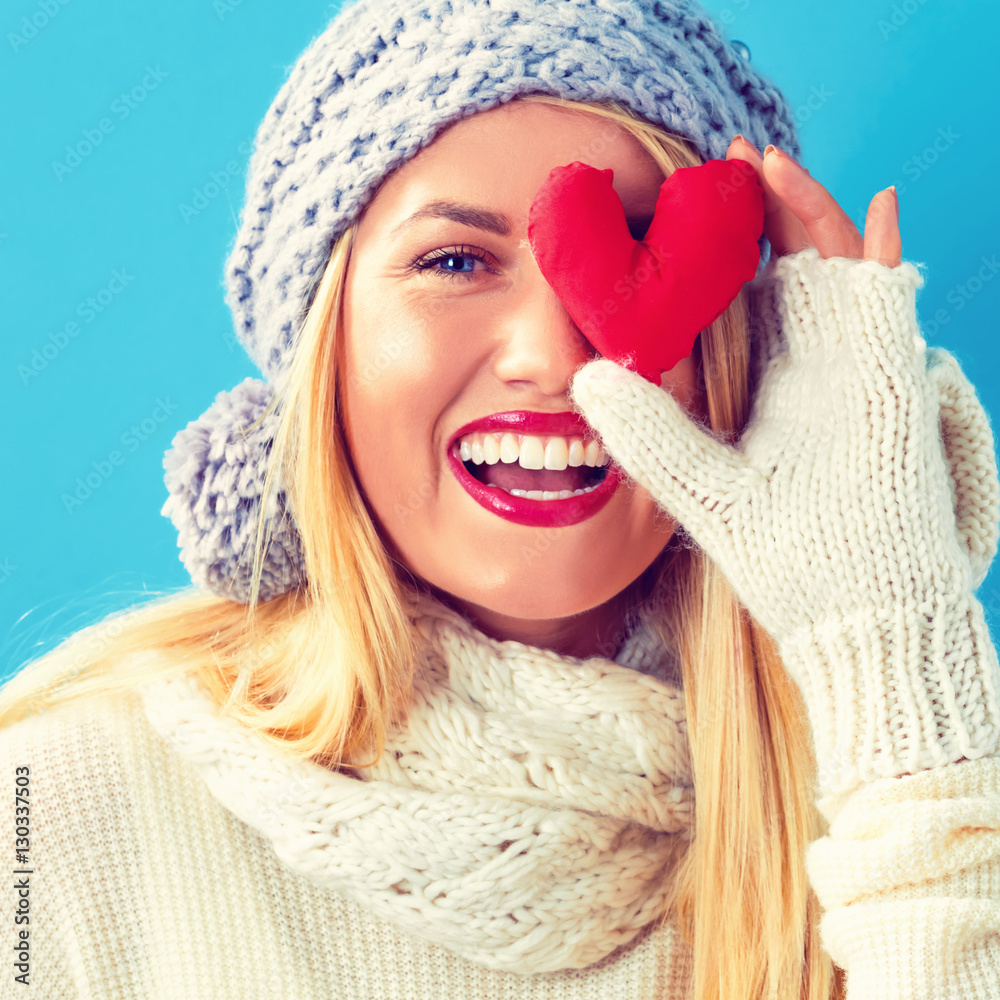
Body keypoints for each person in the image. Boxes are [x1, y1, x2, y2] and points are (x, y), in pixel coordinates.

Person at [3, 0, 1000, 997]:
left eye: (641, 245)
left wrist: (892, 658)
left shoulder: (887, 790)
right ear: (326, 353)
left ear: (748, 348)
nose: (555, 357)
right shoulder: (49, 817)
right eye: (455, 262)